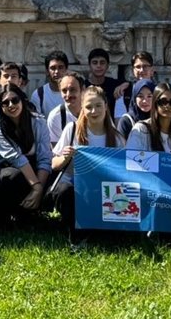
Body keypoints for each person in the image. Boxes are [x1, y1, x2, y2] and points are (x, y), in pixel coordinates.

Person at [49, 85, 122, 240]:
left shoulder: (117, 137)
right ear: (82, 108)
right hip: (74, 184)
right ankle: (75, 232)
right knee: (64, 191)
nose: (94, 111)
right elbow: (54, 164)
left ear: (106, 106)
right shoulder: (72, 129)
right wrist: (65, 157)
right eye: (88, 107)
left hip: (103, 188)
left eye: (98, 106)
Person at [0, 82, 52, 222]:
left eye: (15, 100)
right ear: (0, 107)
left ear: (23, 100)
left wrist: (39, 189)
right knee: (15, 176)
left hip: (27, 171)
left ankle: (27, 211)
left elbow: (45, 158)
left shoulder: (39, 122)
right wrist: (37, 187)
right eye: (5, 103)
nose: (11, 105)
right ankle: (2, 214)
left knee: (46, 172)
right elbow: (17, 158)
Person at [125, 82, 171, 155]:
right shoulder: (141, 130)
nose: (167, 106)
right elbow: (131, 161)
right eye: (163, 101)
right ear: (155, 104)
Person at [45, 73, 83, 148]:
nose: (68, 95)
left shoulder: (92, 110)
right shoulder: (56, 116)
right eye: (64, 91)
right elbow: (56, 152)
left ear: (82, 90)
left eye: (73, 90)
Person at [113, 52, 156, 118]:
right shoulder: (124, 92)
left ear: (152, 70)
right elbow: (119, 121)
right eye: (138, 67)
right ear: (133, 71)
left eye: (145, 66)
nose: (141, 70)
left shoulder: (159, 91)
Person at [30, 50, 68, 114]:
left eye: (60, 67)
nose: (56, 71)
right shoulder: (38, 95)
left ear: (66, 69)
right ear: (47, 71)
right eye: (53, 68)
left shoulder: (74, 92)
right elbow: (36, 121)